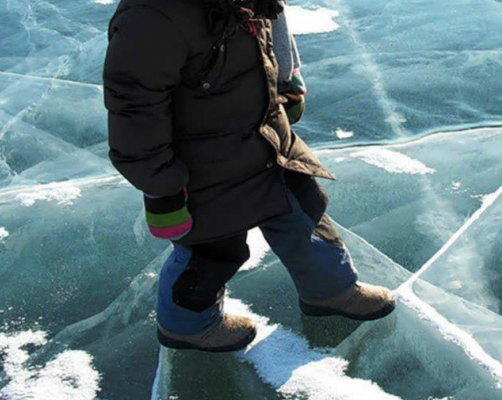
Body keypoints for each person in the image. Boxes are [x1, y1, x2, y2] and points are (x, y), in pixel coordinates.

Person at [102, 0, 396, 353]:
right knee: (211, 250)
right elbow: (134, 112)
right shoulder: (153, 16)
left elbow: (274, 30)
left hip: (268, 141)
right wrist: (162, 185)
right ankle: (186, 326)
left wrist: (287, 82)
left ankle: (332, 291)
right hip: (203, 168)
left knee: (305, 214)